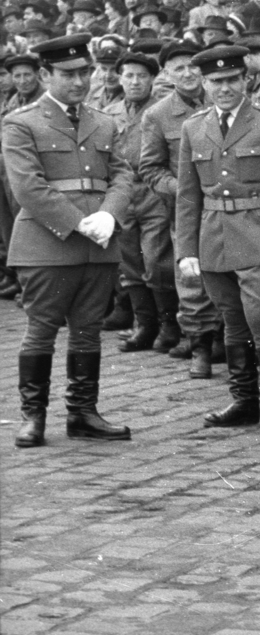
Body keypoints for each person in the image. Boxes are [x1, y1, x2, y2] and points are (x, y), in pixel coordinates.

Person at [5, 34, 135, 447]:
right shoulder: (22, 122)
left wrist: (109, 213)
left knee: (88, 329)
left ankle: (83, 413)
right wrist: (80, 222)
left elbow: (122, 175)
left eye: (84, 72)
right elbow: (28, 188)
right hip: (48, 242)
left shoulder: (103, 121)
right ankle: (34, 417)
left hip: (98, 243)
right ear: (45, 75)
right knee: (41, 329)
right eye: (68, 74)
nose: (79, 81)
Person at [176, 45, 260, 438]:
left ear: (245, 80)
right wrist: (186, 250)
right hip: (214, 237)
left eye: (232, 79)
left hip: (259, 235)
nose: (225, 88)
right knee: (232, 321)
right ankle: (244, 400)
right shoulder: (194, 127)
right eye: (216, 81)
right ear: (204, 83)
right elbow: (188, 195)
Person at [139, 41, 223, 379]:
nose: (187, 73)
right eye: (178, 68)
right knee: (191, 279)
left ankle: (225, 341)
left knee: (232, 273)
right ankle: (200, 347)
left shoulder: (223, 102)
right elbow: (150, 169)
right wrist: (184, 190)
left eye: (192, 66)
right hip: (187, 210)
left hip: (228, 206)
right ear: (166, 74)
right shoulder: (157, 115)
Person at [104, 50, 178, 354]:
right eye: (129, 76)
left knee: (157, 261)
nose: (135, 82)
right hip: (122, 194)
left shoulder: (160, 111)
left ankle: (170, 326)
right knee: (129, 261)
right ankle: (145, 325)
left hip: (153, 193)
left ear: (152, 79)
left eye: (142, 76)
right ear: (120, 79)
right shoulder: (108, 113)